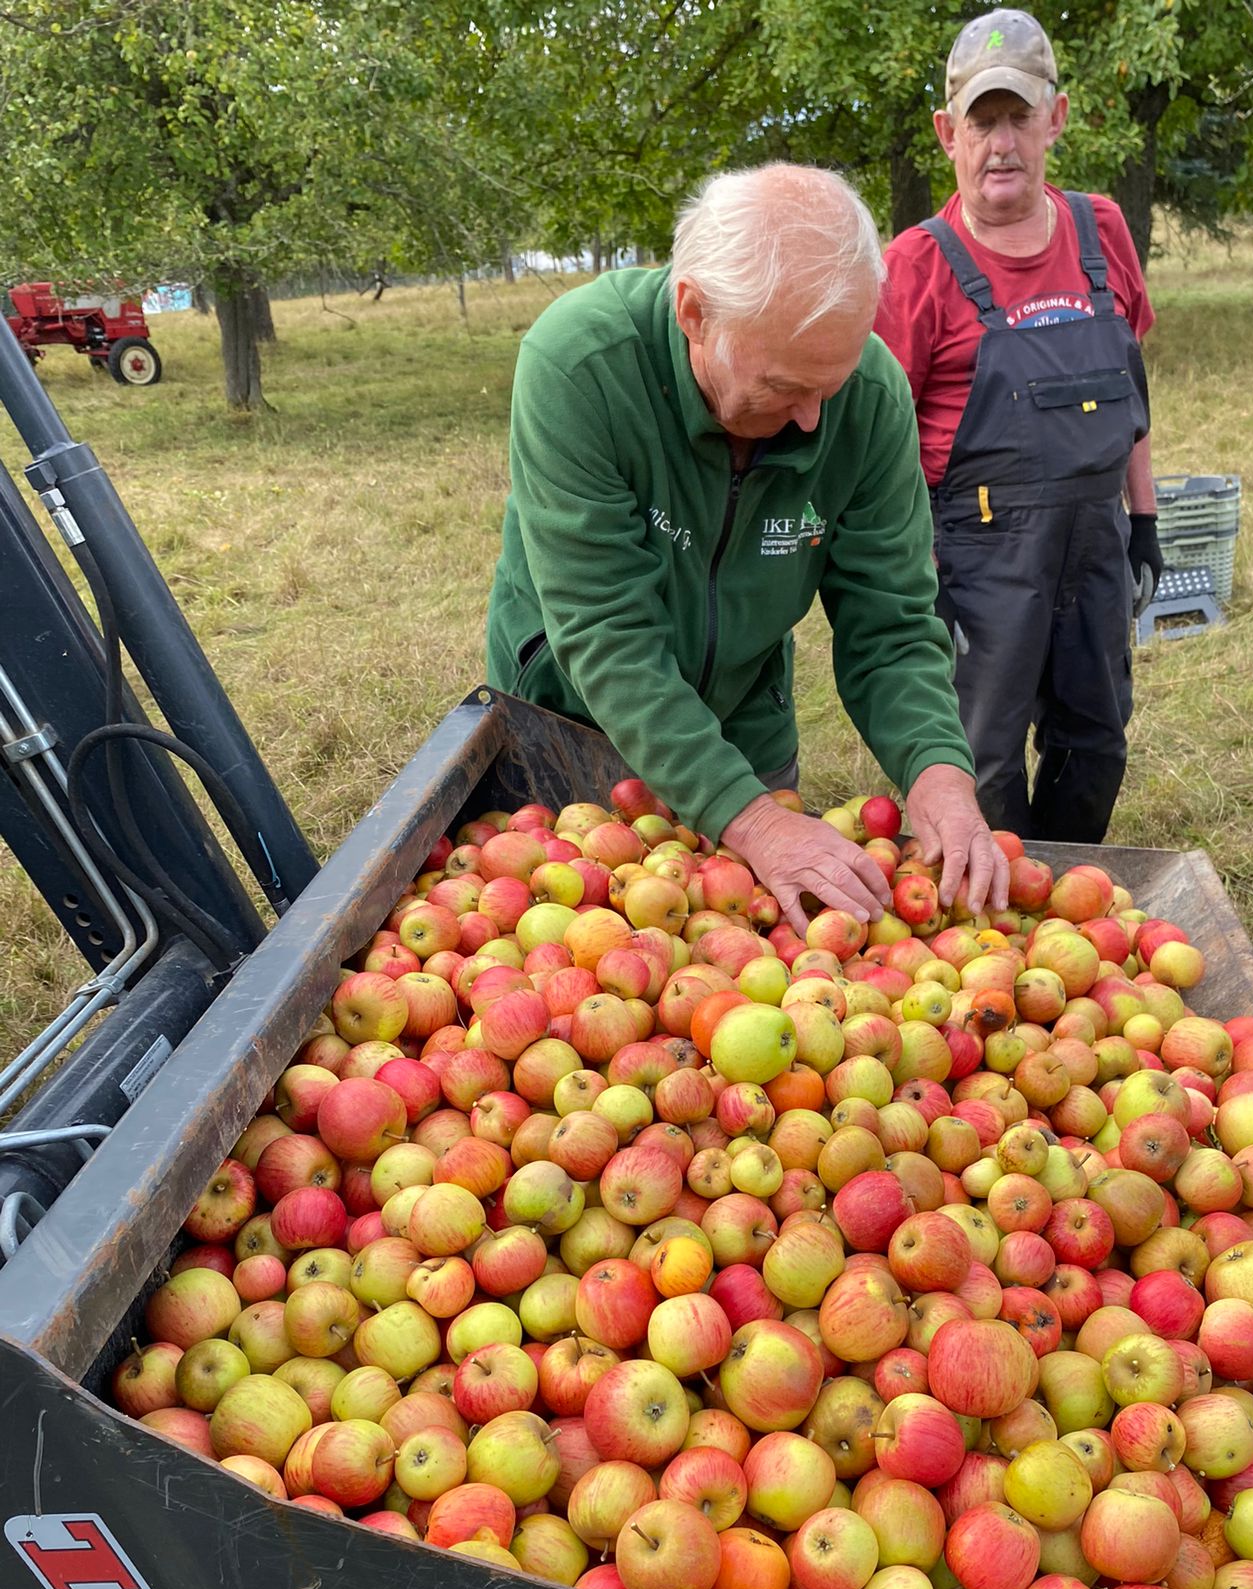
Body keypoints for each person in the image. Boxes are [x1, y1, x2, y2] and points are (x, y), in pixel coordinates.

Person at [485, 163, 1007, 936]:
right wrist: (755, 825)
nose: (809, 421)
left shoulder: (866, 397)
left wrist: (938, 770)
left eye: (828, 386)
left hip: (741, 720)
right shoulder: (581, 367)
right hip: (571, 727)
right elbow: (606, 631)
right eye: (784, 387)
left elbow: (890, 622)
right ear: (694, 312)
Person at [874, 9, 1159, 844]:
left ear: (1055, 119)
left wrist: (1144, 522)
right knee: (981, 758)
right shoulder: (915, 266)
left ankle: (1066, 898)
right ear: (946, 134)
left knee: (1096, 742)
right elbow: (880, 450)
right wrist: (915, 583)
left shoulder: (1100, 230)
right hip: (976, 557)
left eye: (1018, 118)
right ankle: (988, 934)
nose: (1001, 143)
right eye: (981, 121)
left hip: (1097, 543)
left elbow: (1133, 395)